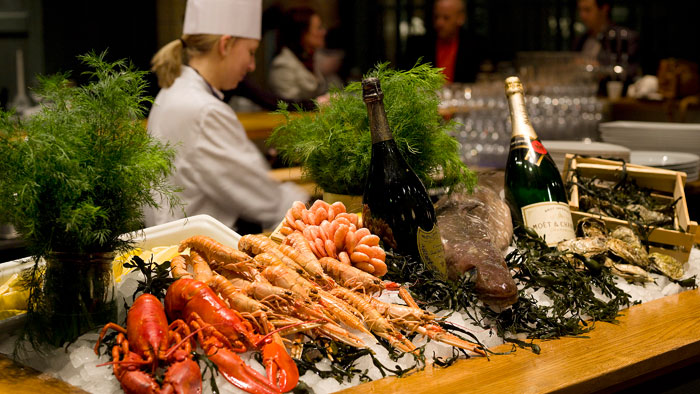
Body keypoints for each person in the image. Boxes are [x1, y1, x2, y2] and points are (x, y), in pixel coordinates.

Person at [146, 0, 309, 234]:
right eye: (251, 52)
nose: (252, 65)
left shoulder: (173, 91)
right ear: (225, 45)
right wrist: (312, 203)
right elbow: (265, 200)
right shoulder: (205, 110)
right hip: (195, 259)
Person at [402, 0, 487, 84]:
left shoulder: (476, 45)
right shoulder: (418, 46)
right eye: (436, 17)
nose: (439, 23)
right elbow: (405, 80)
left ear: (461, 18)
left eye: (446, 18)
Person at [268, 6, 336, 101]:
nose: (324, 32)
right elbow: (289, 105)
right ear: (302, 33)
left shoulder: (309, 58)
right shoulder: (282, 64)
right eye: (319, 28)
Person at [574, 0, 640, 92]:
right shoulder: (581, 39)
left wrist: (600, 69)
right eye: (580, 10)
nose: (582, 16)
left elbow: (632, 72)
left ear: (604, 9)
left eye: (587, 10)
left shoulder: (622, 38)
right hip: (582, 94)